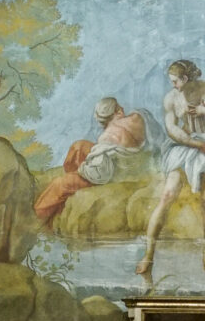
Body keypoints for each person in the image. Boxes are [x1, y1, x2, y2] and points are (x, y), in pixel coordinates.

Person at [137, 59, 205, 284]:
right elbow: (171, 128)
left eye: (175, 81)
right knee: (167, 195)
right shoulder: (171, 98)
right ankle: (149, 255)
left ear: (186, 78)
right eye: (170, 81)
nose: (172, 85)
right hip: (186, 143)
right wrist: (192, 143)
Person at [34, 96, 146, 225]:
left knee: (59, 184)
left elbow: (99, 174)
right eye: (120, 107)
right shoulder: (136, 118)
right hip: (121, 158)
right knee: (78, 147)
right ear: (118, 111)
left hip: (114, 171)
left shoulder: (107, 137)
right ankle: (70, 178)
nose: (123, 108)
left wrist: (82, 169)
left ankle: (36, 221)